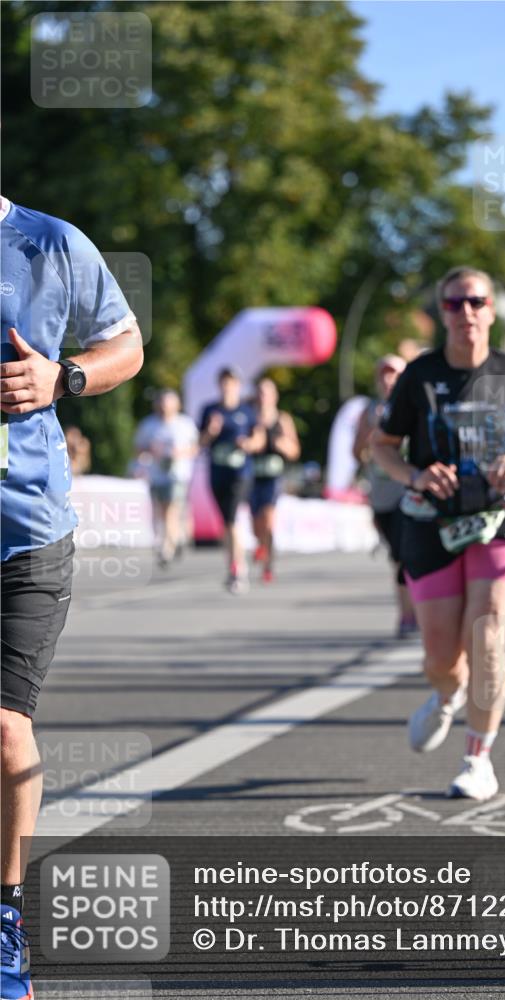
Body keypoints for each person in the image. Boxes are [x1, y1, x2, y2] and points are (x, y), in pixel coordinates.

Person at [0, 196, 143, 1000]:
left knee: (3, 725)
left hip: (25, 532)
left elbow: (127, 344)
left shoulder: (48, 243)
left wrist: (65, 375)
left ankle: (4, 915)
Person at [371, 266, 505, 802]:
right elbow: (382, 445)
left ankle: (478, 757)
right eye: (454, 304)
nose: (466, 313)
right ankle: (446, 698)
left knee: (487, 635)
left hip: (502, 520)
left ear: (492, 311)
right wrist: (414, 474)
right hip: (433, 524)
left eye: (476, 302)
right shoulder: (419, 375)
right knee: (441, 659)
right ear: (442, 313)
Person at [353, 354, 417, 638]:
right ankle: (407, 613)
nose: (388, 379)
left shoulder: (414, 404)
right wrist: (373, 432)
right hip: (382, 494)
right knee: (397, 556)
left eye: (394, 374)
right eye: (383, 374)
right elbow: (357, 452)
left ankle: (412, 614)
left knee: (408, 554)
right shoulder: (369, 410)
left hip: (410, 490)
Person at [198, 367, 264, 594]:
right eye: (224, 383)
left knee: (233, 521)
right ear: (219, 385)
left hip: (241, 473)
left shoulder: (247, 411)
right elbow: (201, 443)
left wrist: (247, 444)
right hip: (217, 472)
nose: (228, 388)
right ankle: (234, 565)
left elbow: (258, 440)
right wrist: (211, 431)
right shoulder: (210, 410)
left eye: (232, 383)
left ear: (237, 385)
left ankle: (238, 569)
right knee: (226, 523)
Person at [134, 389, 199, 566]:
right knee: (161, 510)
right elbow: (138, 448)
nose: (164, 407)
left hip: (178, 474)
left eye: (168, 403)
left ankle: (167, 548)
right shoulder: (149, 425)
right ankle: (176, 538)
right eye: (162, 403)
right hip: (156, 474)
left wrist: (180, 453)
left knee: (171, 508)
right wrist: (151, 450)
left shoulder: (185, 424)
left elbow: (195, 448)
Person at [248, 378, 300, 582]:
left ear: (274, 396)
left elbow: (295, 451)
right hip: (252, 476)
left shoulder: (282, 419)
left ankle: (269, 564)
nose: (263, 397)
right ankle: (260, 544)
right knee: (256, 524)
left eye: (267, 393)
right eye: (260, 392)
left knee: (269, 520)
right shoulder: (250, 417)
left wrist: (282, 445)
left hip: (273, 477)